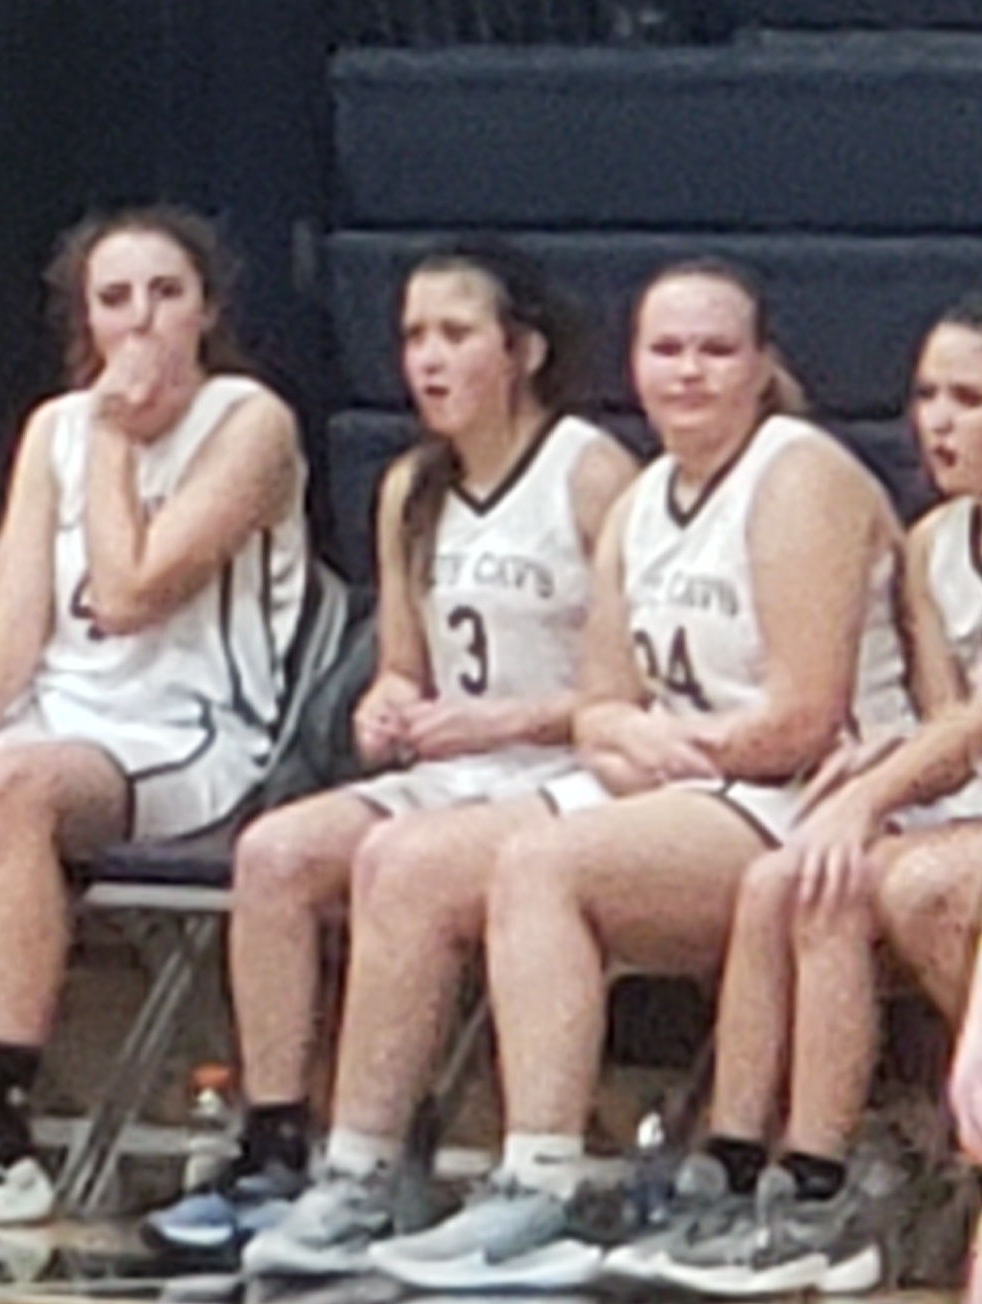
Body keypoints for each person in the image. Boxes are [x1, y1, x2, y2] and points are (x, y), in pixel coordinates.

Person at [364, 264, 911, 1295]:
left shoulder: (799, 475)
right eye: (667, 350)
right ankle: (357, 1171)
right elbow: (601, 703)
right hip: (693, 784)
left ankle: (545, 1183)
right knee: (419, 863)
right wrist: (624, 738)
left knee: (544, 864)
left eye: (716, 350)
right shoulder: (645, 499)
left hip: (816, 795)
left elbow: (804, 716)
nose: (689, 371)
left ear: (762, 366)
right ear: (634, 366)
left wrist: (659, 742)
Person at [154, 247, 633, 1271]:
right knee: (275, 854)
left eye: (456, 334)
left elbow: (633, 697)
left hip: (574, 772)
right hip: (461, 772)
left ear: (524, 351)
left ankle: (368, 1170)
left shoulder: (588, 471)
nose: (428, 358)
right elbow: (405, 669)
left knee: (400, 862)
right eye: (414, 336)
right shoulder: (412, 486)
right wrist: (386, 705)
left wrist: (499, 723)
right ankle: (279, 1142)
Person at [0, 207, 310, 1254]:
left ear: (205, 311)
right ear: (87, 319)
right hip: (56, 717)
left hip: (190, 728)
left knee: (12, 790)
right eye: (116, 299)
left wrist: (113, 440)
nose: (141, 319)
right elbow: (16, 613)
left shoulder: (249, 422)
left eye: (165, 294)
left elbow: (130, 591)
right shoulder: (54, 429)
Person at [612, 301, 982, 1299]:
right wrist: (876, 756)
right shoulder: (934, 541)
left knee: (882, 877)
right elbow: (947, 720)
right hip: (963, 803)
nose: (940, 421)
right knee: (792, 877)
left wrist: (874, 792)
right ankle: (753, 1171)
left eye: (970, 398)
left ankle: (846, 1171)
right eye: (928, 396)